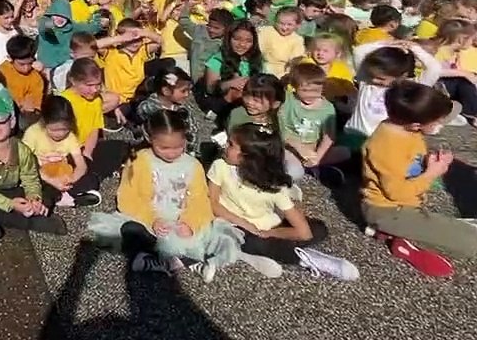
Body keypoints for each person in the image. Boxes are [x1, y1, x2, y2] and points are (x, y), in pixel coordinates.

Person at [87, 110, 243, 283]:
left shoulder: (193, 165)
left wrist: (190, 223)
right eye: (164, 148)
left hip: (180, 220)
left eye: (178, 147)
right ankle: (186, 261)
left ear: (185, 139)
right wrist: (152, 219)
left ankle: (159, 261)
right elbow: (127, 197)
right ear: (150, 139)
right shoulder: (139, 160)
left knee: (213, 234)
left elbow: (200, 200)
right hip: (148, 218)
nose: (172, 153)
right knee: (130, 229)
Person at [208, 122, 358, 280]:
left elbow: (304, 232)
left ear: (248, 157)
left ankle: (277, 249)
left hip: (266, 226)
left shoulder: (274, 187)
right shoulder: (220, 166)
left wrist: (268, 233)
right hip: (232, 223)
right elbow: (213, 203)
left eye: (231, 145)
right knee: (248, 241)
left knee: (319, 228)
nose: (225, 146)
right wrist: (245, 224)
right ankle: (304, 258)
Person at [362, 81, 475, 276]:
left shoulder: (403, 129)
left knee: (457, 230)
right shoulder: (387, 147)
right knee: (471, 243)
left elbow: (408, 164)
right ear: (415, 125)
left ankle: (396, 235)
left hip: (405, 207)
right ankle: (400, 239)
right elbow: (396, 193)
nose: (440, 125)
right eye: (437, 122)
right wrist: (432, 173)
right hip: (388, 212)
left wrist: (429, 163)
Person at [0, 93, 66, 243]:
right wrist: (10, 204)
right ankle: (31, 222)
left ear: (11, 122)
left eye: (0, 120)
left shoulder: (22, 149)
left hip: (10, 189)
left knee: (48, 189)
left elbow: (30, 178)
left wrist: (34, 198)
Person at [22, 94, 101, 207]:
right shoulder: (33, 133)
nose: (60, 134)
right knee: (38, 186)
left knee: (92, 178)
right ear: (44, 122)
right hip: (41, 174)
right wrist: (52, 181)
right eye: (54, 130)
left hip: (63, 174)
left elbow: (81, 164)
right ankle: (67, 197)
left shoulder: (70, 136)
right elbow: (24, 164)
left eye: (65, 129)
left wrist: (72, 179)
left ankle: (65, 196)